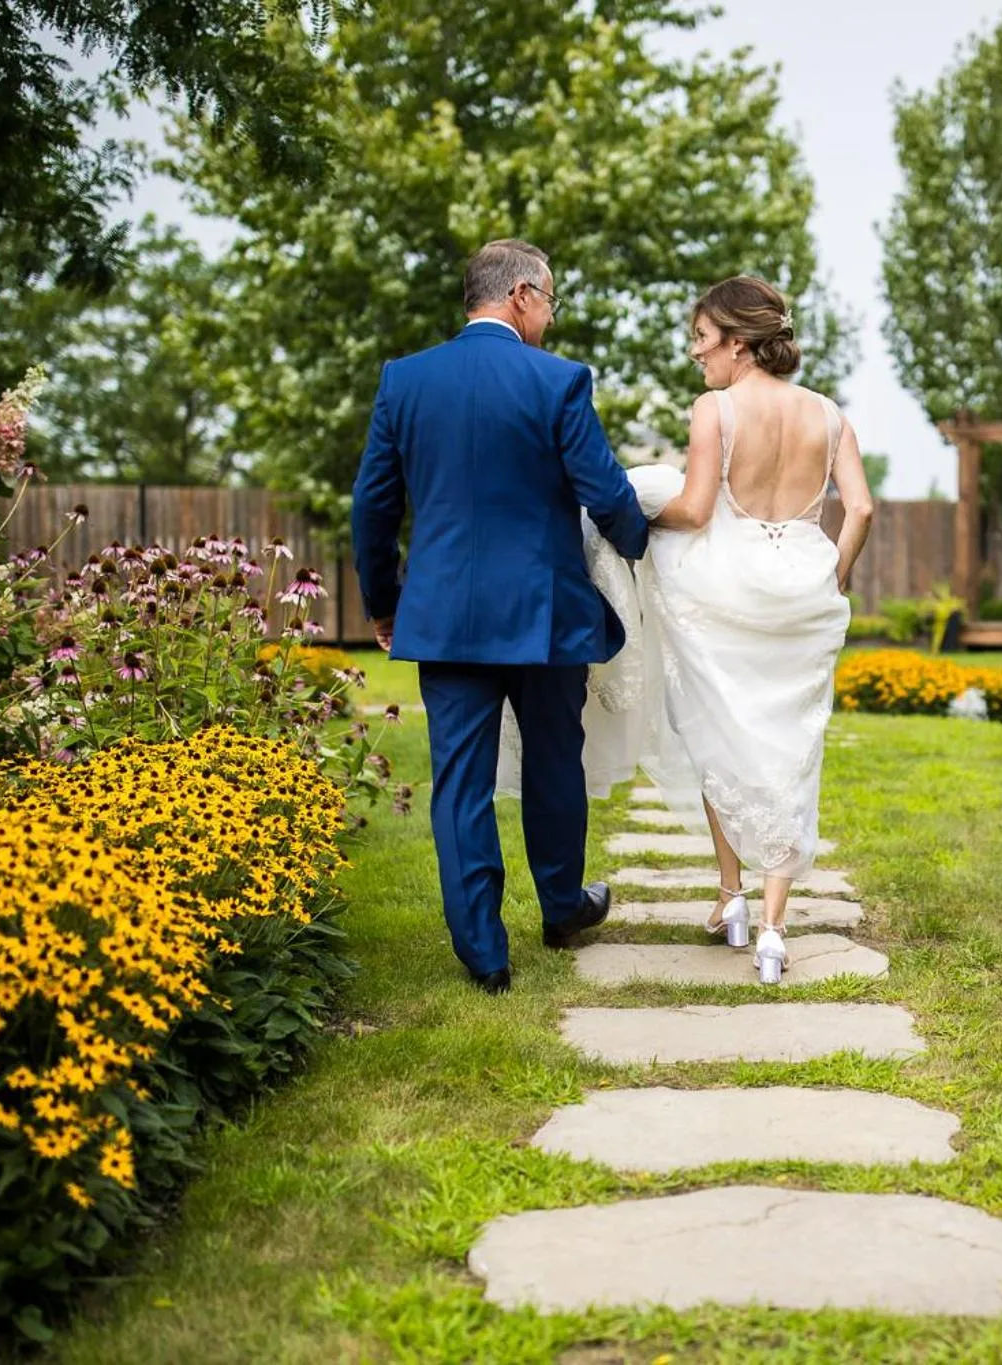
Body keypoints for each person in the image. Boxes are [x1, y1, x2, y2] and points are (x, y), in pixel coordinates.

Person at [351, 239, 649, 995]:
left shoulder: (405, 380)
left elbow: (374, 506)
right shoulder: (558, 380)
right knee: (554, 762)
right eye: (550, 300)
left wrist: (384, 603)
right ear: (520, 295)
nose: (550, 317)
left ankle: (484, 953)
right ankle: (562, 906)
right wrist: (644, 549)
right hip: (544, 613)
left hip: (445, 616)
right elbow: (605, 492)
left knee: (460, 782)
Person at [639, 275, 876, 984]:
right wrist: (835, 577)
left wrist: (637, 507)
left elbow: (695, 510)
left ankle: (731, 895)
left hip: (728, 589)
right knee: (791, 750)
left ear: (739, 343)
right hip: (803, 591)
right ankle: (773, 929)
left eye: (702, 339)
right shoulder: (829, 414)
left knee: (719, 733)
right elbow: (860, 509)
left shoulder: (714, 409)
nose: (695, 353)